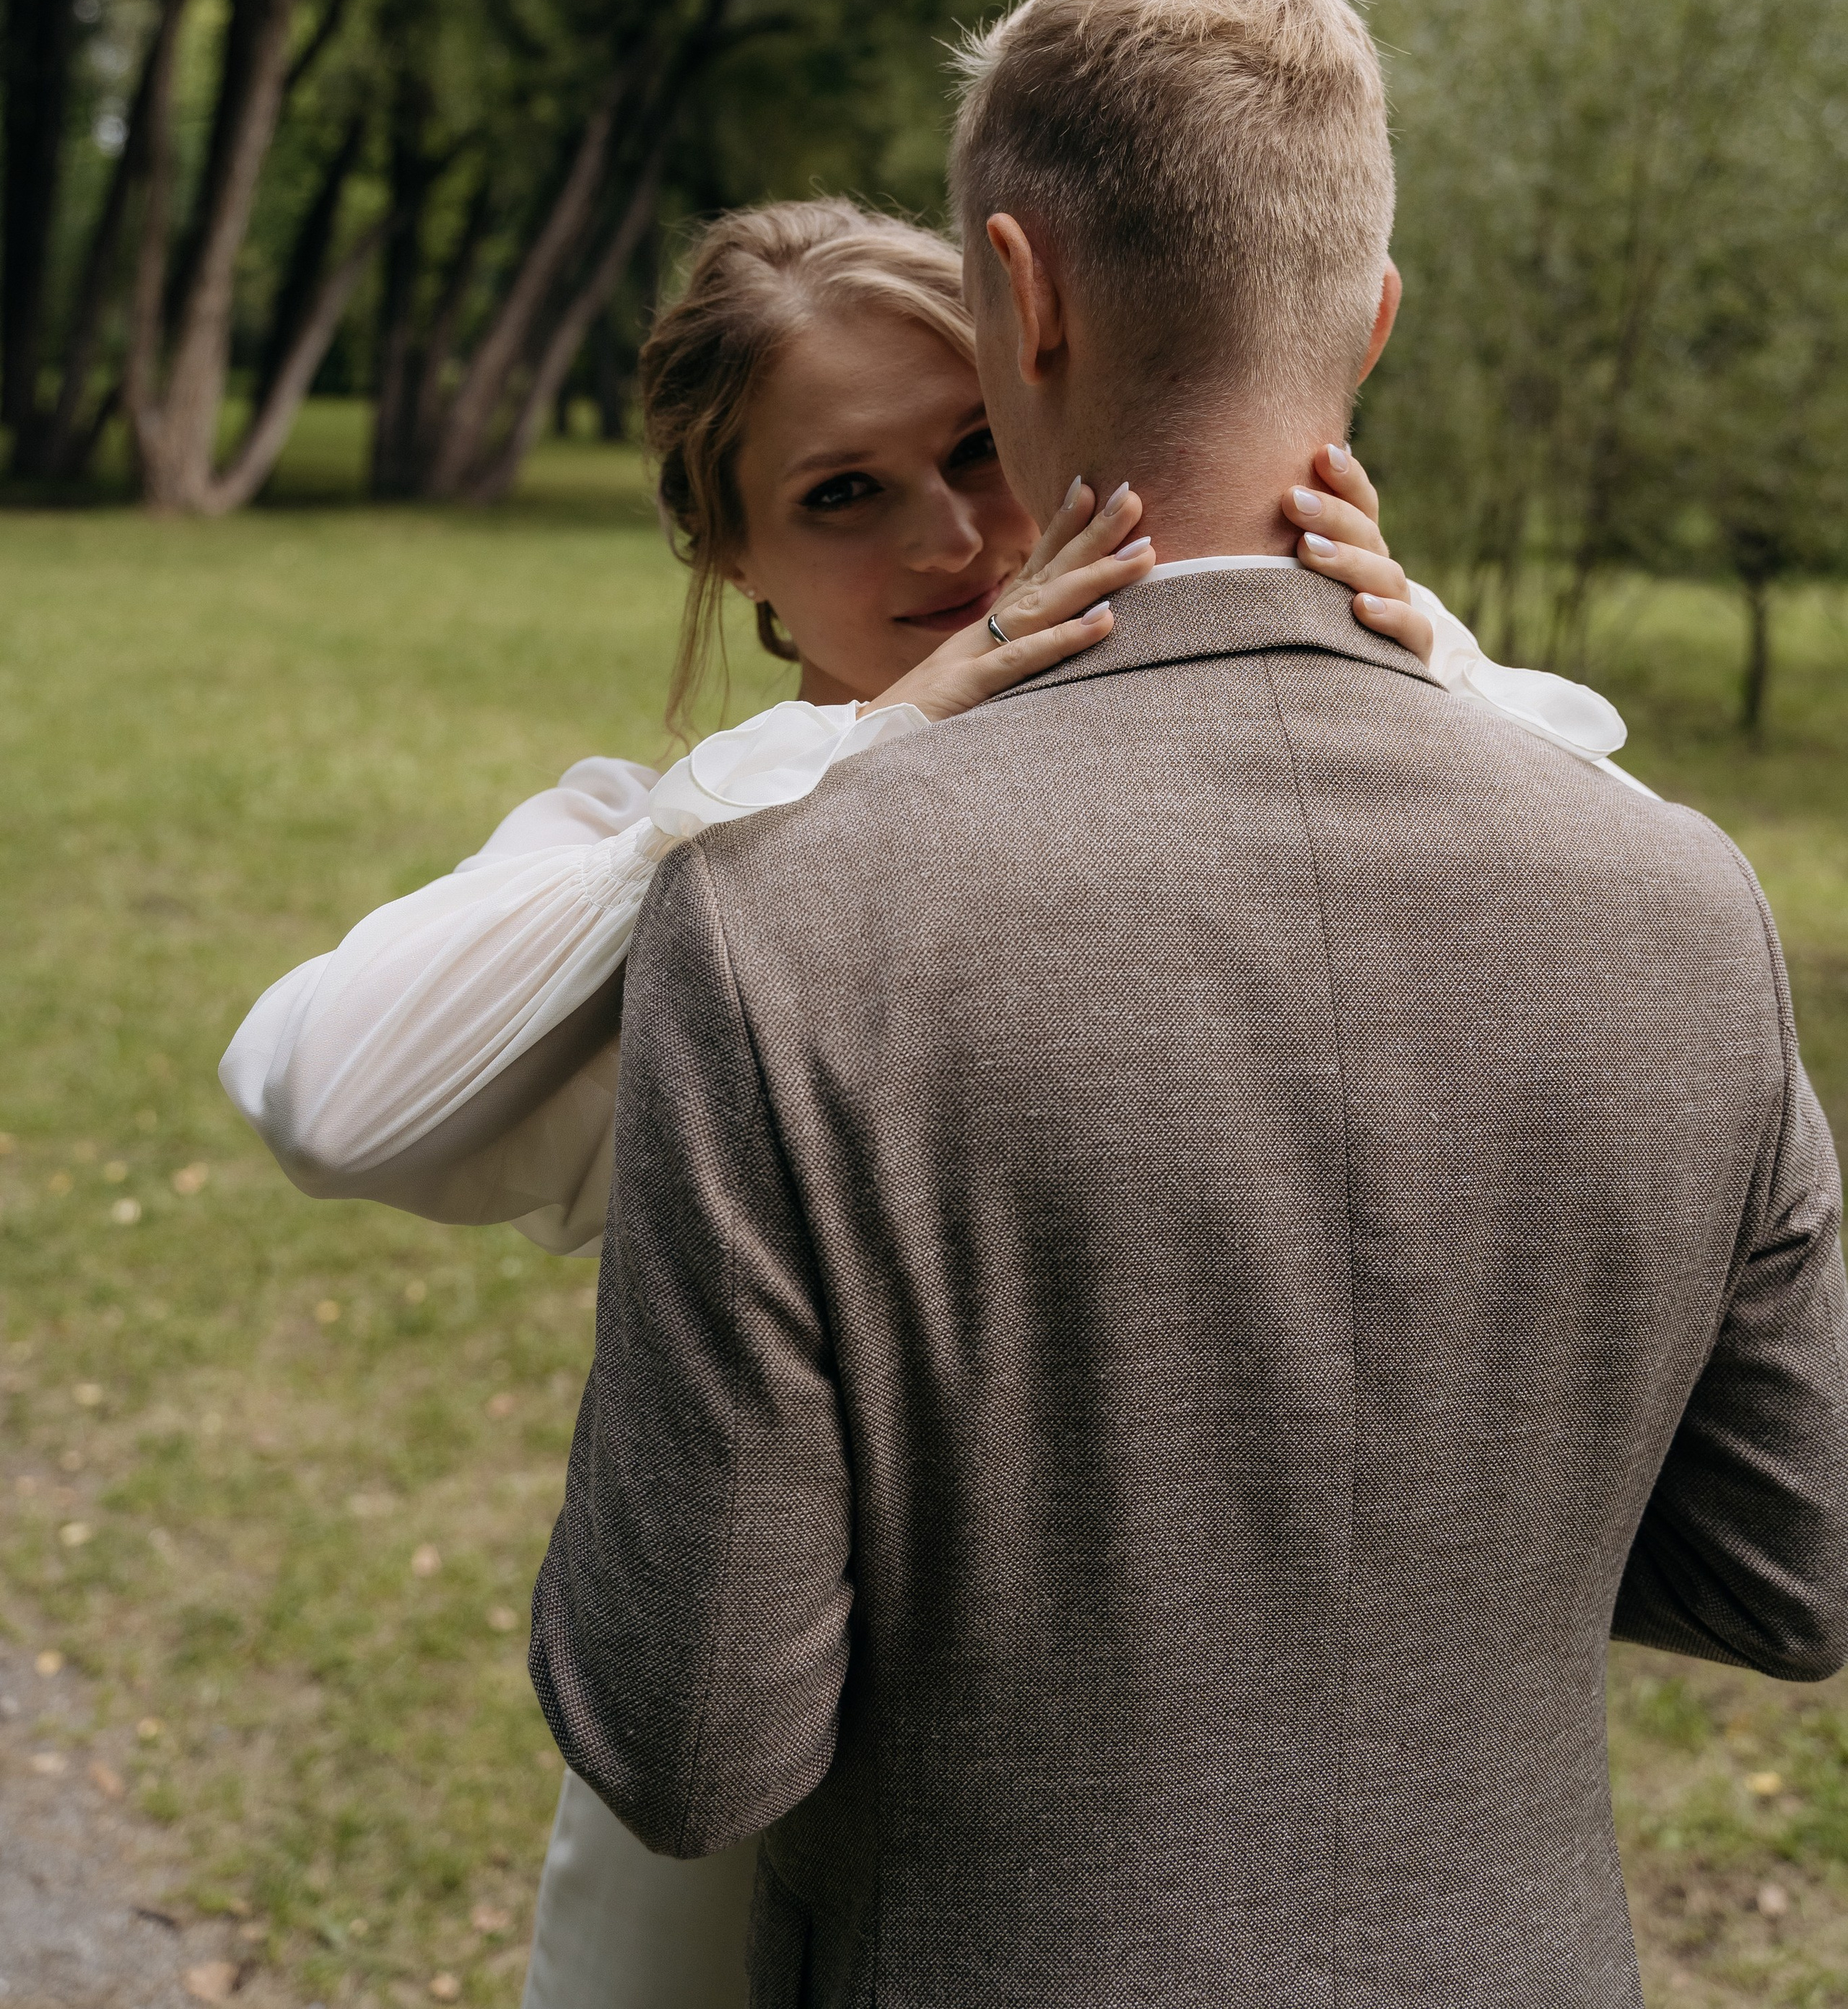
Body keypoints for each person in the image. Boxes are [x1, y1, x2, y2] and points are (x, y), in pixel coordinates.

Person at [531, 0, 1848, 2009]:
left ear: (1016, 301)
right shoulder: (1689, 904)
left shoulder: (784, 929)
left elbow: (690, 1740)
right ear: (1374, 326)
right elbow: (1795, 1564)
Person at [225, 206, 1634, 2009]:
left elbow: (1626, 915)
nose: (956, 538)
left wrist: (1404, 642)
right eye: (842, 495)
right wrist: (860, 757)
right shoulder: (672, 856)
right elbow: (329, 1099)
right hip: (764, 1805)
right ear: (730, 559)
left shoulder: (1224, 809)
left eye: (976, 447)